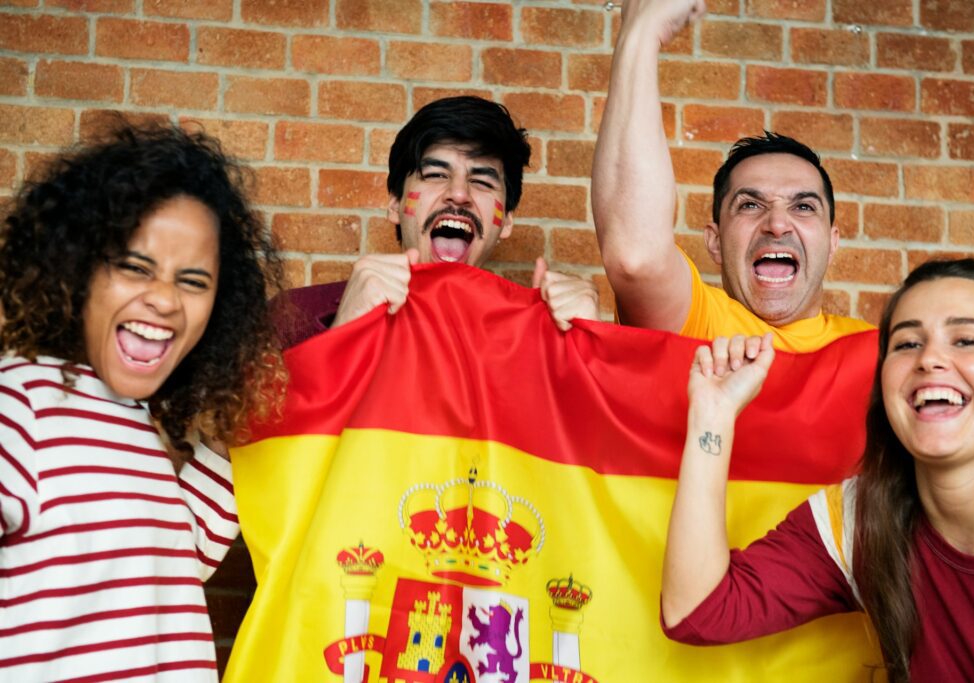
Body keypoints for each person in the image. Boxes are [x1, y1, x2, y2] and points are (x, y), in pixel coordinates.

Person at [0, 124, 285, 681]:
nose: (163, 299)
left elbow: (169, 563)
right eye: (135, 267)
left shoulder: (127, 415)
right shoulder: (21, 402)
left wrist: (228, 451)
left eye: (194, 281)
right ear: (76, 267)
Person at [662, 258, 974, 682]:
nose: (930, 359)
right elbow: (698, 611)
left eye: (965, 340)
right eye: (907, 344)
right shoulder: (860, 518)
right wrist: (713, 414)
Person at [592, 0, 873, 348]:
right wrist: (640, 35)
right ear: (714, 241)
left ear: (832, 243)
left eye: (803, 207)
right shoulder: (700, 323)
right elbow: (636, 258)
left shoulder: (875, 351)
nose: (778, 224)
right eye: (750, 205)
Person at [276, 95, 598, 347]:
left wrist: (588, 350)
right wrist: (342, 334)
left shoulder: (538, 335)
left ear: (507, 221)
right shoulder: (295, 315)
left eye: (483, 182)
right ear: (395, 204)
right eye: (435, 174)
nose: (458, 194)